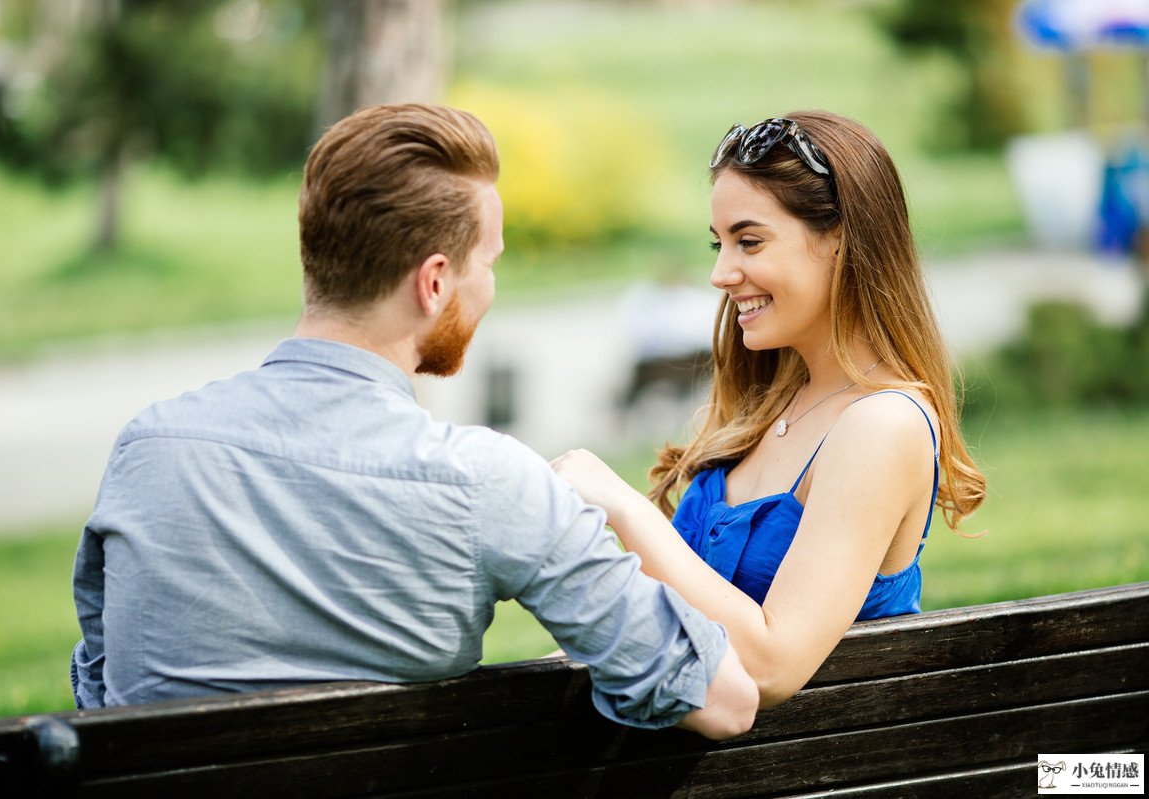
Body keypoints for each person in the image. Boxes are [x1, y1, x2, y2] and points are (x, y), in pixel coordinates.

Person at [70, 103, 758, 739]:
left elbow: (102, 691)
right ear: (434, 282)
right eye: (487, 263)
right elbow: (726, 700)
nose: (490, 287)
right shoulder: (486, 482)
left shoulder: (150, 448)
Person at [552, 111, 986, 708]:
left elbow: (770, 666)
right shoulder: (771, 401)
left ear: (841, 240)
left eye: (748, 241)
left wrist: (626, 509)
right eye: (719, 242)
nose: (720, 273)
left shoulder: (882, 424)